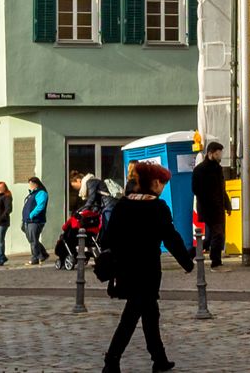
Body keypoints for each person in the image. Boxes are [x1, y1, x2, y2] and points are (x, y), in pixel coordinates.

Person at [96, 160, 193, 373]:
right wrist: (187, 262)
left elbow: (108, 238)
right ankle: (111, 361)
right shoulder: (156, 207)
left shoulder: (123, 205)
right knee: (131, 317)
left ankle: (159, 359)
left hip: (125, 269)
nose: (163, 187)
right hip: (147, 271)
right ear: (155, 182)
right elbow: (171, 238)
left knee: (150, 314)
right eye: (162, 183)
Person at [191, 140, 231, 269]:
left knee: (210, 238)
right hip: (208, 208)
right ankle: (216, 262)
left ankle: (189, 254)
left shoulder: (218, 169)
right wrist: (208, 203)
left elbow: (221, 189)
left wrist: (227, 204)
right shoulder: (200, 170)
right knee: (217, 235)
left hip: (218, 208)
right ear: (211, 154)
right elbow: (196, 189)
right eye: (218, 153)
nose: (220, 156)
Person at [20, 176, 49, 265]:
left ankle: (35, 258)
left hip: (35, 220)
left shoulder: (41, 193)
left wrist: (31, 215)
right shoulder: (31, 194)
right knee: (33, 239)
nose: (30, 186)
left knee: (33, 240)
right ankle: (42, 254)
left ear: (36, 184)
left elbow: (40, 206)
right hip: (27, 220)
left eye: (31, 184)